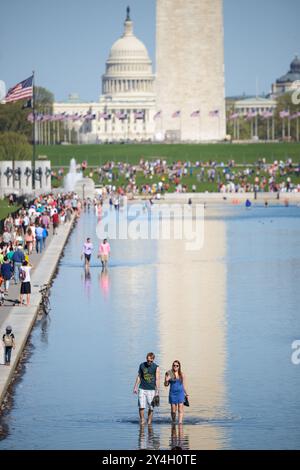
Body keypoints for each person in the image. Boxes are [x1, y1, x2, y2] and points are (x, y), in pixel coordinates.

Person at [133, 352, 160, 425]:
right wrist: (135, 387)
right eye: (148, 360)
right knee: (141, 406)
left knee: (151, 407)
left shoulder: (156, 367)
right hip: (142, 388)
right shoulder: (142, 365)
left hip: (151, 389)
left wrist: (157, 391)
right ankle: (142, 420)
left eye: (151, 361)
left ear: (153, 360)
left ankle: (149, 422)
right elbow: (139, 376)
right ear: (146, 359)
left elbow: (157, 379)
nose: (149, 362)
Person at [164, 360, 189, 424]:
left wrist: (187, 394)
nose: (175, 367)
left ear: (179, 366)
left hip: (180, 393)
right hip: (172, 393)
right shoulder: (169, 373)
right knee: (173, 410)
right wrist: (167, 380)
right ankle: (174, 421)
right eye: (174, 365)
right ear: (172, 366)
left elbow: (184, 385)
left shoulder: (181, 374)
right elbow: (166, 385)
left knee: (180, 409)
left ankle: (180, 422)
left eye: (177, 366)